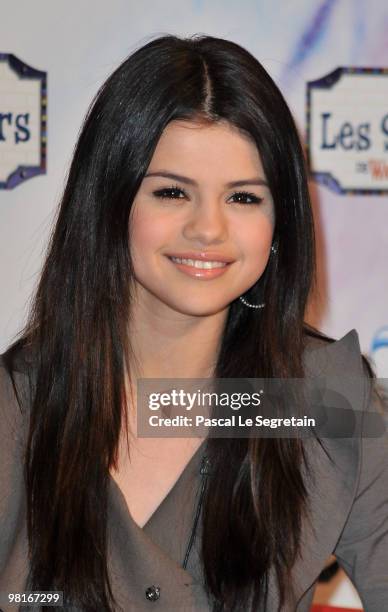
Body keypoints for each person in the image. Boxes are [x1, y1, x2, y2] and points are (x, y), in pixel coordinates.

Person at [0, 33, 387, 612]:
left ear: (280, 222)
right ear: (110, 201)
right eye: (173, 191)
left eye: (244, 198)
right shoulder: (16, 409)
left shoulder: (319, 404)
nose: (209, 230)